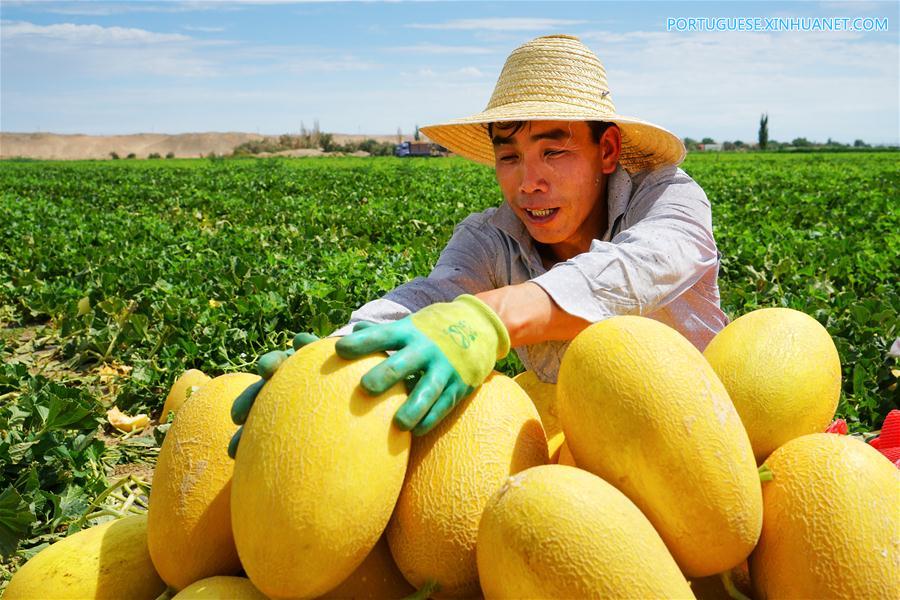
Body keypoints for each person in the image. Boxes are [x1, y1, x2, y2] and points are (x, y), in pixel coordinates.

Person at [228, 34, 728, 457]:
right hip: (580, 453)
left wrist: (487, 319)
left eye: (553, 151)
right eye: (509, 157)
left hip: (704, 442)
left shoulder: (669, 200)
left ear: (608, 151)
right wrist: (331, 357)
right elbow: (426, 301)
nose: (528, 182)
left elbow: (636, 268)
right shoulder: (489, 237)